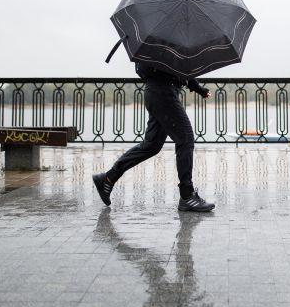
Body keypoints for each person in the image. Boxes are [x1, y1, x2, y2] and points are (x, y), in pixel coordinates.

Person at [92, 62, 215, 212]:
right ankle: (187, 196)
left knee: (152, 146)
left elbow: (181, 67)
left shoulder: (161, 46)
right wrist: (196, 87)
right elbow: (177, 66)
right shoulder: (163, 45)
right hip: (163, 94)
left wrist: (198, 88)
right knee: (186, 139)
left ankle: (108, 178)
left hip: (159, 93)